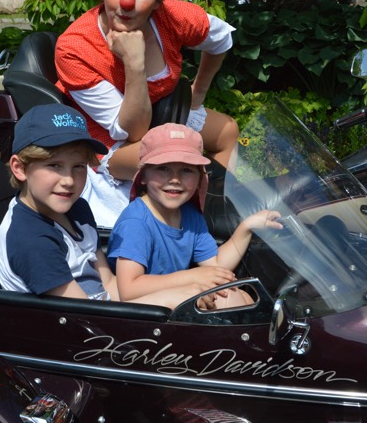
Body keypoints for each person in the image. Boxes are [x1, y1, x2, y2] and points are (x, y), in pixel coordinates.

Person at [54, 0, 240, 227]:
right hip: (114, 143)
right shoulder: (75, 48)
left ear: (158, 0)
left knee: (227, 132)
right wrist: (134, 63)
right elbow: (133, 130)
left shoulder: (173, 17)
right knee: (180, 159)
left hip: (163, 116)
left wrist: (198, 93)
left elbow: (221, 39)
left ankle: (217, 219)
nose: (127, 2)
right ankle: (183, 230)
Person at [0, 104, 222, 310]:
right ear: (20, 168)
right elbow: (81, 316)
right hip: (74, 335)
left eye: (79, 167)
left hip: (103, 313)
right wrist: (176, 296)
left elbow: (111, 285)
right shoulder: (31, 239)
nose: (69, 181)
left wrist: (183, 292)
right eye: (55, 166)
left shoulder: (77, 209)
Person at [107, 123, 283, 307]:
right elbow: (128, 290)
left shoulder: (189, 215)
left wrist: (246, 227)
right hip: (140, 315)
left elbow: (215, 266)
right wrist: (191, 276)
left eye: (186, 170)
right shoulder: (136, 223)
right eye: (163, 168)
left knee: (240, 297)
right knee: (229, 301)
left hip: (173, 303)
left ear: (200, 178)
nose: (175, 179)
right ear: (142, 176)